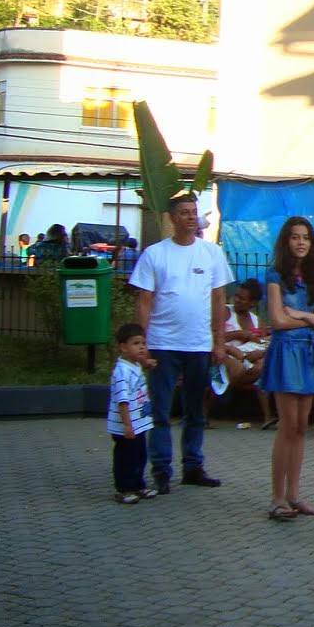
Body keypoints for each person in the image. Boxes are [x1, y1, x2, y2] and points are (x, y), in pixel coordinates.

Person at [130, 194, 233, 493]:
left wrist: (219, 341)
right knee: (160, 409)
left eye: (193, 212)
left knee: (195, 411)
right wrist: (142, 343)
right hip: (162, 343)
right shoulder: (154, 254)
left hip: (199, 345)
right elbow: (144, 301)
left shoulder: (211, 254)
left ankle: (193, 466)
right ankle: (161, 468)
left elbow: (218, 299)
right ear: (172, 218)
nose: (190, 217)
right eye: (184, 213)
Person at [261, 216, 314, 521]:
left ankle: (294, 494)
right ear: (286, 241)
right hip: (285, 352)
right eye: (295, 237)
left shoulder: (313, 277)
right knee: (287, 425)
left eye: (306, 237)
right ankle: (277, 497)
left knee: (302, 427)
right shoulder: (275, 275)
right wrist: (309, 318)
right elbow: (277, 321)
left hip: (307, 352)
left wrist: (301, 316)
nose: (301, 242)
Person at [108, 323, 157, 504]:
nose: (142, 347)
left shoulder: (134, 366)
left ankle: (138, 485)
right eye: (136, 343)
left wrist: (145, 364)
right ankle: (124, 488)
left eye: (143, 343)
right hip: (126, 426)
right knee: (125, 457)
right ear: (123, 347)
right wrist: (127, 425)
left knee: (140, 455)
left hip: (139, 422)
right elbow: (122, 400)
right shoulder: (121, 371)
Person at [218, 279, 273, 431]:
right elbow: (215, 337)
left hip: (248, 359)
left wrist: (258, 352)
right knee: (237, 368)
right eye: (236, 296)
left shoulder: (256, 321)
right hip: (225, 355)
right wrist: (241, 334)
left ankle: (267, 417)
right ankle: (223, 393)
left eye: (242, 299)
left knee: (263, 366)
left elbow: (263, 342)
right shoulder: (225, 312)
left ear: (253, 303)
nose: (236, 300)